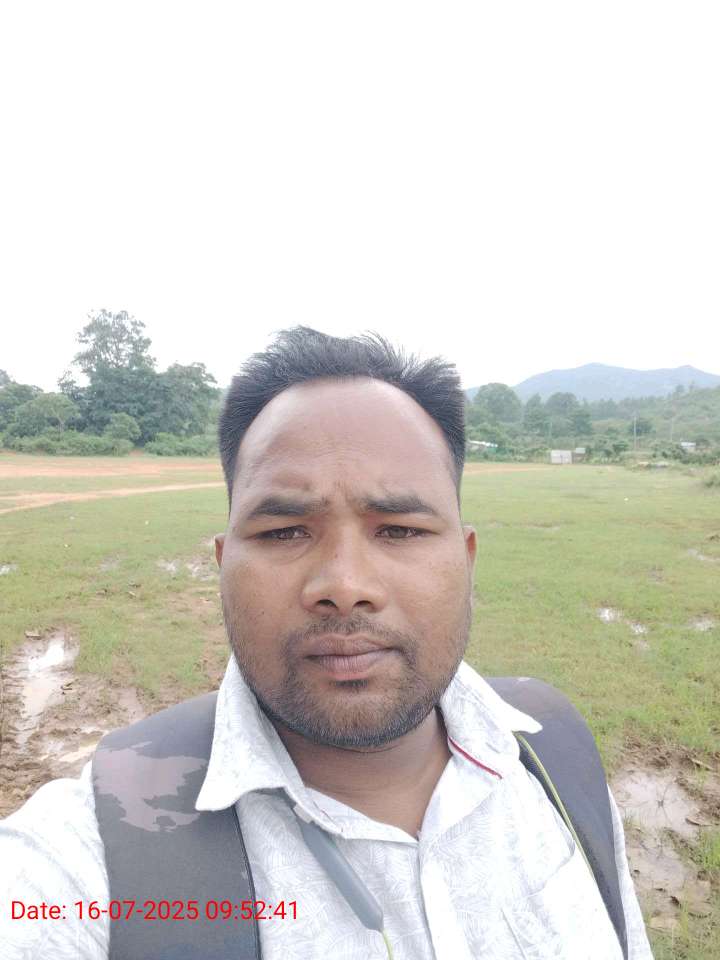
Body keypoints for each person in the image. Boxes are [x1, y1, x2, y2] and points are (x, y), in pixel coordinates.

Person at [1, 327, 653, 959]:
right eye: (284, 532)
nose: (344, 587)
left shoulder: (557, 764)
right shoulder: (88, 858)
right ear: (223, 565)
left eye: (399, 530)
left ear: (467, 558)